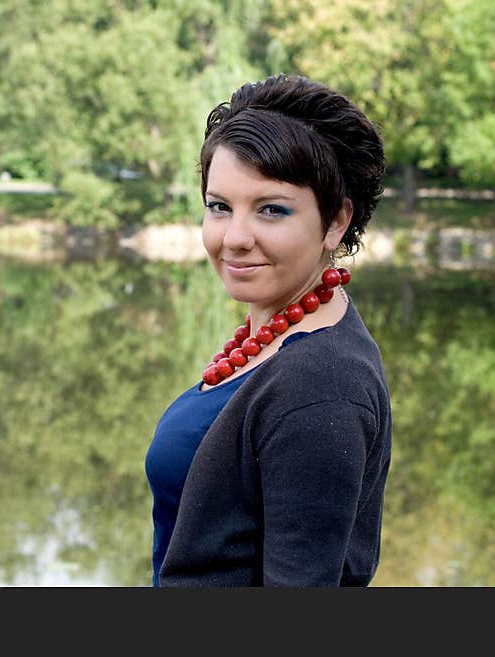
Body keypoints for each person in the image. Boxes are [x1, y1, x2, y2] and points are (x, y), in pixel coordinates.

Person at [144, 74, 392, 587]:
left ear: (335, 222)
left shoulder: (322, 386)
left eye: (271, 210)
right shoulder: (285, 336)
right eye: (219, 207)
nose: (235, 238)